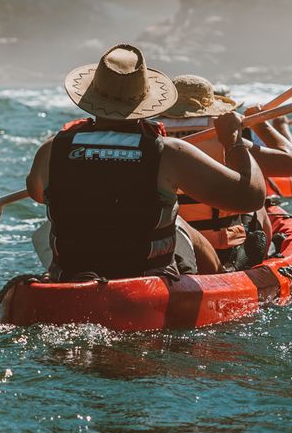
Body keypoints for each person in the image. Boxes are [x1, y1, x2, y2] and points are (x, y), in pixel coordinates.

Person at [25, 44, 264, 280]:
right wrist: (234, 141)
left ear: (91, 97)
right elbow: (250, 197)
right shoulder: (169, 153)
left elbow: (37, 193)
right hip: (147, 282)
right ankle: (219, 277)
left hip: (72, 277)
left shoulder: (52, 149)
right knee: (178, 221)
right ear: (144, 103)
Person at [160, 75, 292, 270]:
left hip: (172, 246)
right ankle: (257, 263)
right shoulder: (220, 136)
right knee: (259, 203)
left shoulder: (154, 137)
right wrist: (259, 123)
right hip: (223, 249)